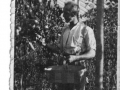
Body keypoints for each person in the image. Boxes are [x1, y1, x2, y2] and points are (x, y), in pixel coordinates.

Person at [43, 1, 96, 90]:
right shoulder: (65, 29)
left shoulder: (85, 30)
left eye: (65, 13)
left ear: (73, 14)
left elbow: (92, 53)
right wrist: (46, 45)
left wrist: (76, 58)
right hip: (64, 67)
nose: (62, 16)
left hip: (77, 68)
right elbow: (60, 50)